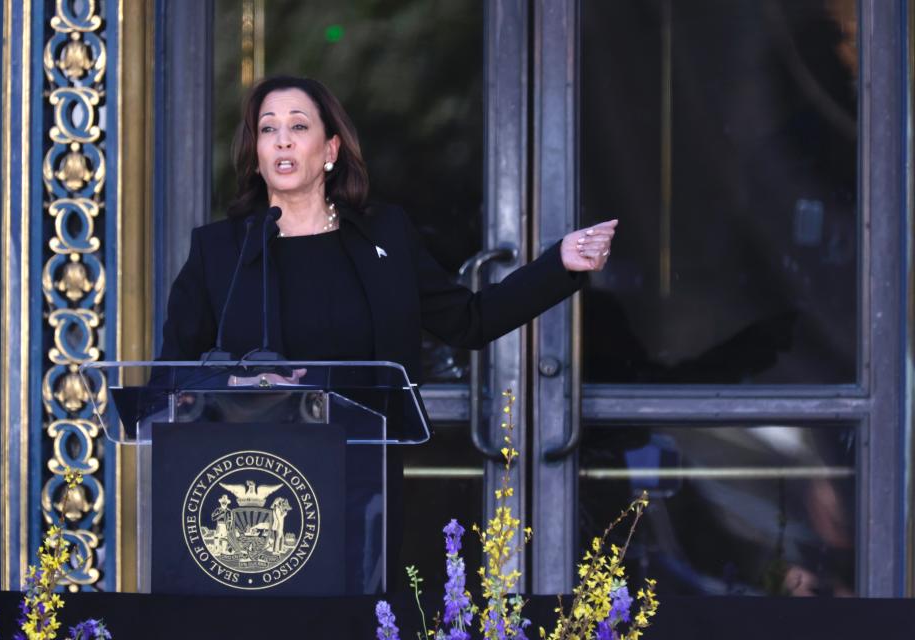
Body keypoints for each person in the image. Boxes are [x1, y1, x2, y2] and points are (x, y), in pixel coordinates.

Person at [157, 75, 617, 591]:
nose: (282, 139)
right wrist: (234, 389)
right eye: (268, 129)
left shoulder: (384, 237)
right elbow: (169, 377)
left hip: (359, 485)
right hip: (250, 492)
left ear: (330, 148)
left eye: (298, 126)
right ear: (257, 152)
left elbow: (470, 321)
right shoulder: (220, 252)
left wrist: (559, 263)